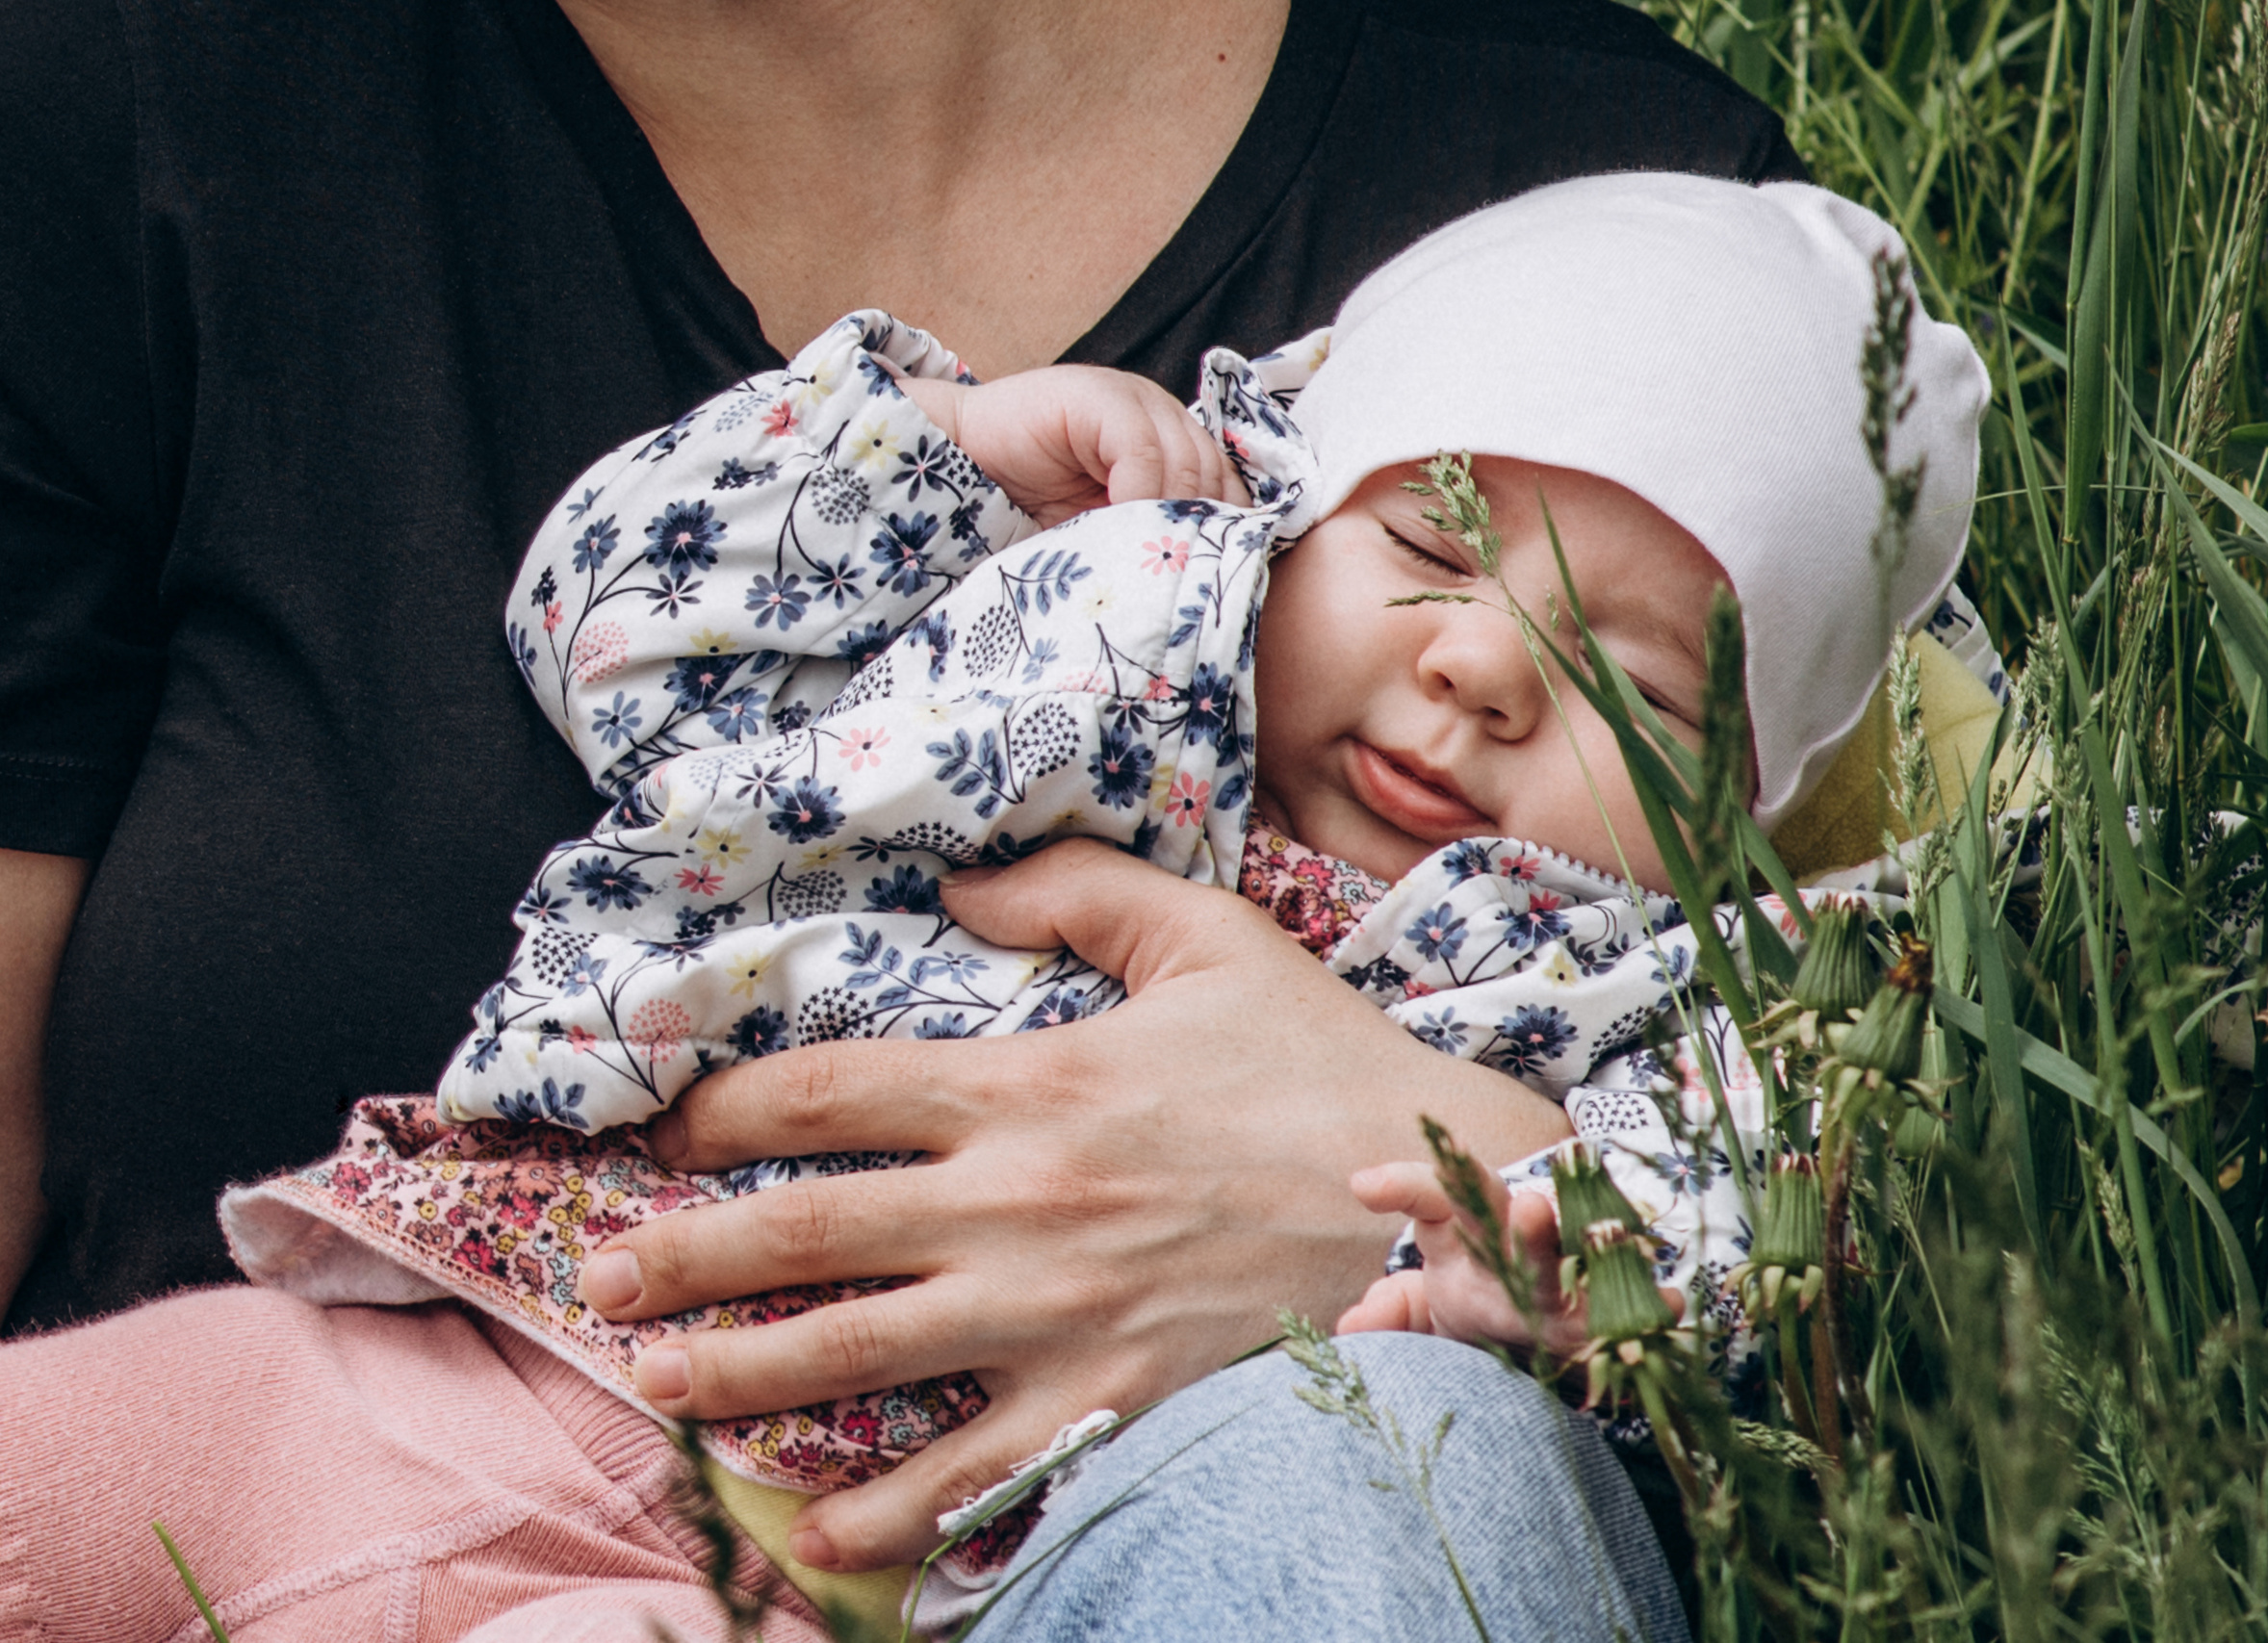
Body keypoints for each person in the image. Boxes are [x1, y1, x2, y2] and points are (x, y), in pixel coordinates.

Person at [5, 173, 1993, 1640]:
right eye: (1420, 540)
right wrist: (934, 464)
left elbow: (1740, 1243)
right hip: (518, 1342)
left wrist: (1523, 1232)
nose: (1477, 669)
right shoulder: (1078, 634)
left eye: (1628, 690)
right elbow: (614, 621)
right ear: (1288, 492)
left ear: (1739, 807)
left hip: (967, 1551)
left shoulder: (1648, 988)